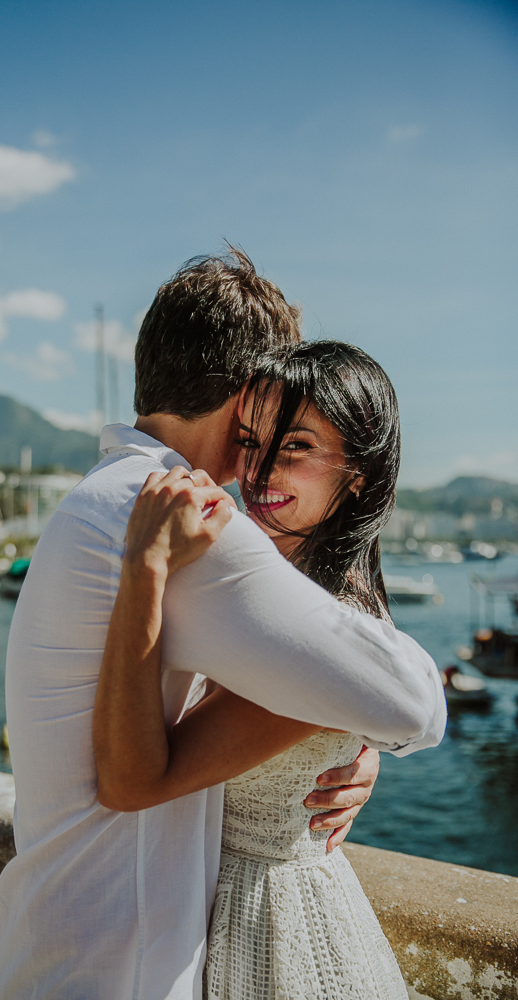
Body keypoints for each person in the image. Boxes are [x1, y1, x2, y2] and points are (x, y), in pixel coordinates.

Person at [0, 250, 446, 1000]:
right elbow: (414, 699)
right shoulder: (186, 515)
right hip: (121, 964)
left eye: (295, 442)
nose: (261, 466)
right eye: (270, 428)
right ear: (248, 396)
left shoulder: (95, 499)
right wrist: (374, 725)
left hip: (57, 941)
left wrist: (348, 736)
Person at [94, 340, 420, 999]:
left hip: (272, 929)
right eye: (252, 440)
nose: (260, 470)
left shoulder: (327, 632)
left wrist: (144, 564)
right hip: (222, 905)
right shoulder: (280, 591)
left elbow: (131, 781)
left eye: (295, 446)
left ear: (357, 472)